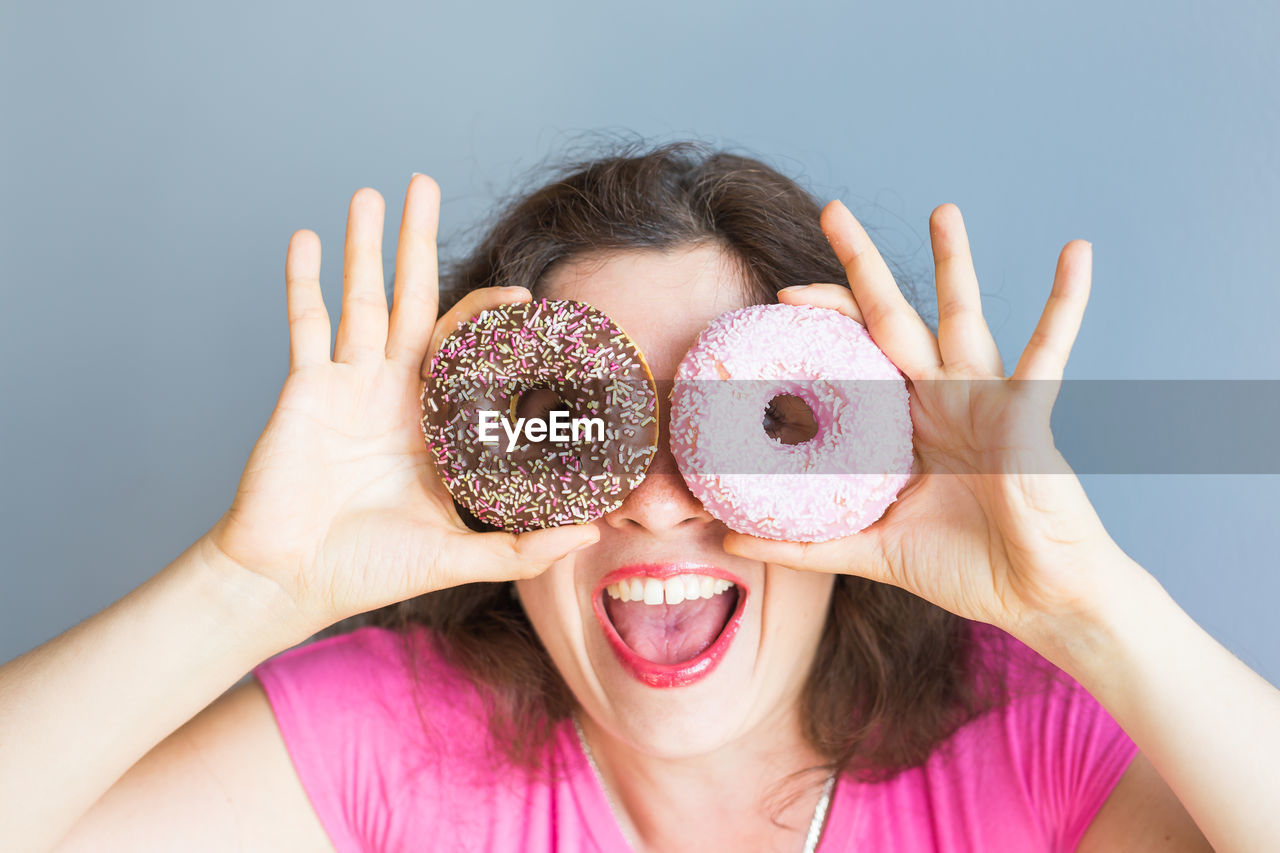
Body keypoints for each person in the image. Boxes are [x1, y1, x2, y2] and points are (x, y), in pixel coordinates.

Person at [3, 141, 1276, 852]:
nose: (661, 506)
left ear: (858, 470)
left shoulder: (1029, 756)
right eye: (584, 430)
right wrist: (249, 587)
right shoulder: (389, 745)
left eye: (752, 432)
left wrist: (1087, 607)